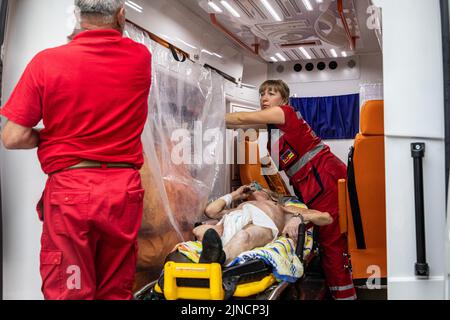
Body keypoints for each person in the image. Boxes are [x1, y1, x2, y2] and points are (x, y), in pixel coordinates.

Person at [0, 0, 151, 300]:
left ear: (79, 16)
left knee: (70, 291)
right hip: (124, 192)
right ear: (121, 15)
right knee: (115, 291)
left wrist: (48, 137)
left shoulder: (47, 62)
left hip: (72, 192)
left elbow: (12, 137)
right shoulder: (140, 57)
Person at [225, 80, 356, 300]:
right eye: (262, 94)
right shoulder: (274, 129)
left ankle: (345, 297)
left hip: (326, 179)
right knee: (329, 242)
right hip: (313, 184)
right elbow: (238, 124)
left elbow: (239, 118)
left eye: (271, 93)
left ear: (284, 100)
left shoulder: (284, 113)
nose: (264, 98)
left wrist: (205, 117)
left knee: (332, 241)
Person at [194, 184, 333, 265]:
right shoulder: (241, 205)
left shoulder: (281, 207)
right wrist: (235, 194)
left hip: (263, 222)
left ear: (270, 195)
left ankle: (218, 259)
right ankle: (214, 254)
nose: (253, 188)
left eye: (257, 187)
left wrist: (297, 217)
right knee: (200, 230)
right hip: (234, 220)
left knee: (244, 236)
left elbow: (326, 218)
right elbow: (210, 211)